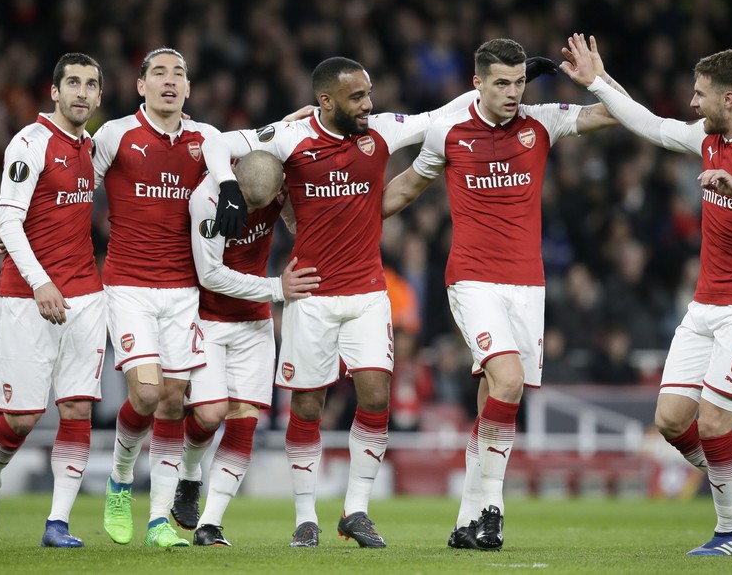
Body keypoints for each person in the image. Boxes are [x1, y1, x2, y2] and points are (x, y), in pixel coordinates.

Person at [202, 56, 476, 548]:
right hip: (312, 294)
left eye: (369, 93)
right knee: (307, 405)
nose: (368, 104)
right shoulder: (289, 139)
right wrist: (227, 185)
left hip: (369, 293)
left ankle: (356, 511)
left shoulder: (382, 132)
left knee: (375, 396)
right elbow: (218, 144)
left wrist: (492, 93)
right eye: (357, 97)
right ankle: (306, 516)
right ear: (326, 101)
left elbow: (441, 115)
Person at [562, 33, 732, 556]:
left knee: (715, 422)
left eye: (700, 94)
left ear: (728, 99)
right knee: (672, 420)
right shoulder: (708, 137)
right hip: (705, 305)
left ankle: (728, 533)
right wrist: (598, 82)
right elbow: (652, 125)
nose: (692, 102)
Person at [381, 38, 620, 550]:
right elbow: (402, 189)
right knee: (507, 380)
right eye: (501, 83)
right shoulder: (447, 131)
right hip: (471, 278)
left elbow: (615, 115)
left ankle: (467, 520)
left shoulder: (542, 121)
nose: (513, 93)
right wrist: (340, 226)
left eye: (518, 82)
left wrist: (595, 78)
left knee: (496, 396)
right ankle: (493, 508)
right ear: (477, 83)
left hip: (528, 285)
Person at [0, 53, 105, 548]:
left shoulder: (93, 146)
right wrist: (42, 281)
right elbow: (8, 222)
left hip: (87, 296)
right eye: (73, 83)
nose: (82, 93)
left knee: (77, 410)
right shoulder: (29, 143)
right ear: (54, 91)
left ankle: (58, 524)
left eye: (91, 84)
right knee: (23, 418)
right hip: (28, 298)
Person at [93, 47, 220, 548]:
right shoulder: (115, 134)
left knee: (172, 400)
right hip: (127, 285)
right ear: (140, 85)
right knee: (145, 394)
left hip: (183, 289)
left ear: (189, 88)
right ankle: (121, 478)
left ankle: (159, 520)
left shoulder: (205, 139)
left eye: (180, 74)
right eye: (159, 73)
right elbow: (79, 183)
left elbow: (256, 148)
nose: (170, 81)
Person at [169, 150, 321, 547]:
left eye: (262, 204)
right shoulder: (207, 199)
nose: (253, 211)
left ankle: (211, 523)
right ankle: (188, 473)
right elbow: (211, 275)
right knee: (209, 413)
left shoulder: (279, 188)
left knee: (244, 419)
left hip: (254, 322)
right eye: (248, 202)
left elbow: (280, 137)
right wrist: (275, 288)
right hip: (208, 316)